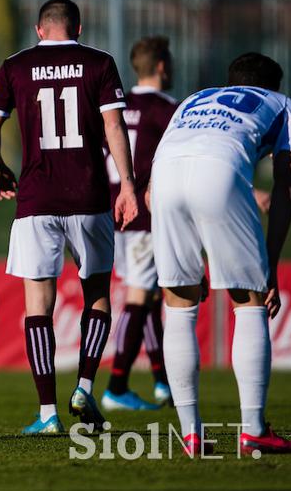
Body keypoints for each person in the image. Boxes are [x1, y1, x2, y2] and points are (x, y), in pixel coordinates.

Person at [0, 0, 138, 435]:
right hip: (87, 196)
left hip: (36, 198)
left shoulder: (15, 65)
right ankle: (85, 386)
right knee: (98, 294)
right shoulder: (100, 63)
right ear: (79, 28)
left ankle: (47, 413)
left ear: (38, 29)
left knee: (38, 306)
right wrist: (126, 184)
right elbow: (114, 127)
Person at [150, 52, 291, 456]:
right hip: (220, 169)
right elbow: (286, 186)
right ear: (273, 86)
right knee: (249, 301)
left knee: (179, 303)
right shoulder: (281, 104)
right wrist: (269, 265)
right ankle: (253, 430)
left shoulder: (194, 99)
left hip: (164, 175)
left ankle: (191, 433)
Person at [100, 36, 177, 412]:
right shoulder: (168, 110)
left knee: (148, 295)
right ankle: (116, 385)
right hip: (144, 215)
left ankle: (163, 381)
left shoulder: (116, 106)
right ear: (163, 65)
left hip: (113, 213)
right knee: (140, 295)